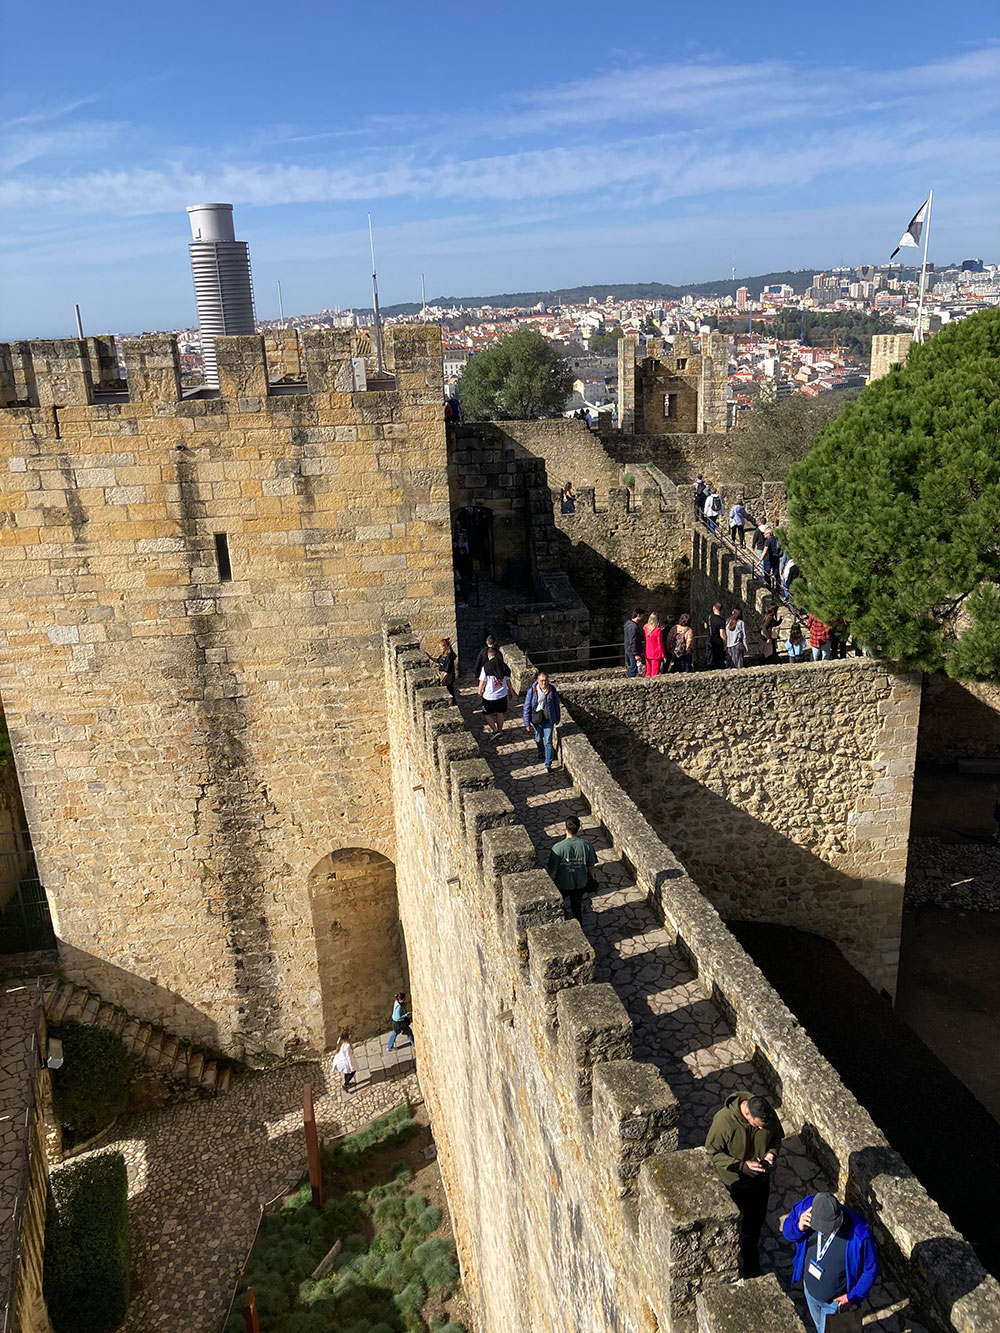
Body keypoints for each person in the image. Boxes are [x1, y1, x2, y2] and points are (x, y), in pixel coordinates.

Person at [705, 1091, 783, 1278]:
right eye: (756, 1125)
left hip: (760, 1181)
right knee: (728, 1227)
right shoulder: (723, 1121)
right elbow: (712, 1152)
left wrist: (771, 1153)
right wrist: (740, 1165)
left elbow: (776, 1138)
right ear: (747, 1113)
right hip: (734, 1183)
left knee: (753, 1226)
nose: (759, 1128)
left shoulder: (766, 1114)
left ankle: (751, 1267)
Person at [781, 1191, 878, 1333]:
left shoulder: (859, 1234)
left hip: (835, 1303)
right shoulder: (807, 1208)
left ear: (839, 1217)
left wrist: (853, 1296)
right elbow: (788, 1233)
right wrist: (798, 1226)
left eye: (827, 1226)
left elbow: (871, 1269)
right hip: (810, 1291)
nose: (822, 1230)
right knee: (820, 1326)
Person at [547, 815, 598, 921]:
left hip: (562, 883)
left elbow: (552, 871)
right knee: (576, 906)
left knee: (560, 905)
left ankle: (565, 919)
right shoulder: (586, 845)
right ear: (578, 828)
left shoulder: (557, 847)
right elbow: (591, 867)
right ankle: (578, 923)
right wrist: (593, 878)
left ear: (565, 828)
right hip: (580, 883)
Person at [523, 669, 561, 772]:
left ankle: (548, 764)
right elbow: (527, 707)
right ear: (538, 681)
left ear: (548, 680)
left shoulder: (552, 690)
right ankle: (540, 750)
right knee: (539, 738)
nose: (543, 683)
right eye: (541, 680)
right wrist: (527, 723)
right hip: (537, 719)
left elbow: (556, 705)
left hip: (548, 719)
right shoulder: (532, 691)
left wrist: (557, 718)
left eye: (545, 680)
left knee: (548, 741)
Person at [478, 644, 514, 740]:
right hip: (502, 694)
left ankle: (495, 731)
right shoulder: (504, 666)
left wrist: (479, 692)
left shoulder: (486, 667)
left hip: (489, 696)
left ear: (489, 655)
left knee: (486, 714)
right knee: (500, 713)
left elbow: (482, 682)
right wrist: (510, 691)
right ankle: (500, 731)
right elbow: (508, 681)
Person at [430, 637, 457, 702]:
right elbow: (438, 660)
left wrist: (443, 680)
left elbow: (447, 670)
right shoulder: (443, 655)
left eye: (441, 647)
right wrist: (429, 657)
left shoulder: (449, 657)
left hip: (448, 678)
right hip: (444, 676)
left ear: (446, 646)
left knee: (450, 692)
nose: (440, 648)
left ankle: (453, 703)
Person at [331, 1027, 357, 1093]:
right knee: (352, 1071)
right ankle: (345, 1085)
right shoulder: (347, 1046)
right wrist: (352, 1067)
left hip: (340, 1060)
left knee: (346, 1072)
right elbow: (348, 1057)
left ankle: (347, 1083)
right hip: (344, 1062)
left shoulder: (340, 1040)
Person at [624, 608, 646, 677]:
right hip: (632, 652)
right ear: (638, 615)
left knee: (633, 668)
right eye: (642, 616)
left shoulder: (628, 623)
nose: (643, 618)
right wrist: (636, 654)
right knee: (633, 670)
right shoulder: (633, 627)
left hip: (629, 650)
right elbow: (632, 641)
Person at [705, 602, 727, 670]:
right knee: (719, 660)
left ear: (713, 608)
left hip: (709, 639)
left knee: (710, 658)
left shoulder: (708, 617)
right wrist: (725, 644)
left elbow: (705, 626)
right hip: (718, 641)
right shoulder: (721, 620)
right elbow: (722, 633)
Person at [644, 612, 665, 677]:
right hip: (656, 653)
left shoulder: (645, 627)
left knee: (648, 671)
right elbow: (660, 645)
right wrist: (663, 655)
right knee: (655, 673)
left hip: (647, 652)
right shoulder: (657, 630)